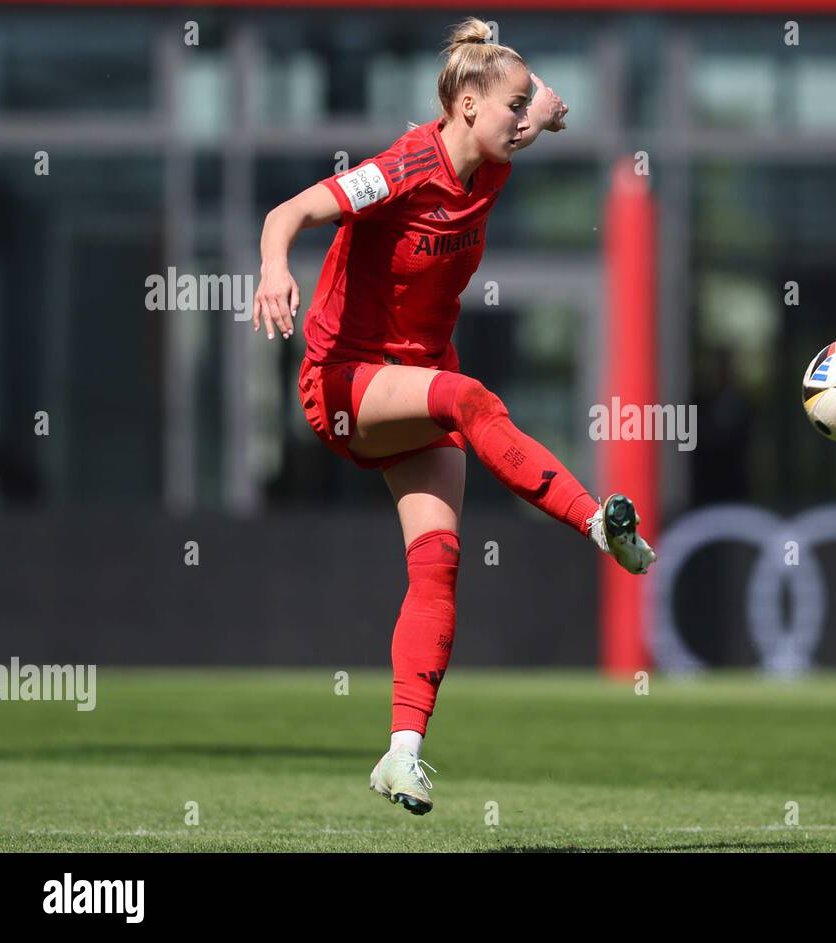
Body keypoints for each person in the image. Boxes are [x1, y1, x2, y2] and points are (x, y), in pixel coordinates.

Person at [252, 17, 656, 816]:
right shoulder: (400, 169)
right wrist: (272, 270)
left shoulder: (495, 149)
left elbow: (544, 103)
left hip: (420, 378)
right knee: (468, 400)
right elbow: (286, 214)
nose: (523, 116)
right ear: (466, 105)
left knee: (437, 565)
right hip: (345, 385)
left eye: (521, 108)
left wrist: (543, 108)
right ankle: (594, 524)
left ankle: (401, 755)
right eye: (511, 105)